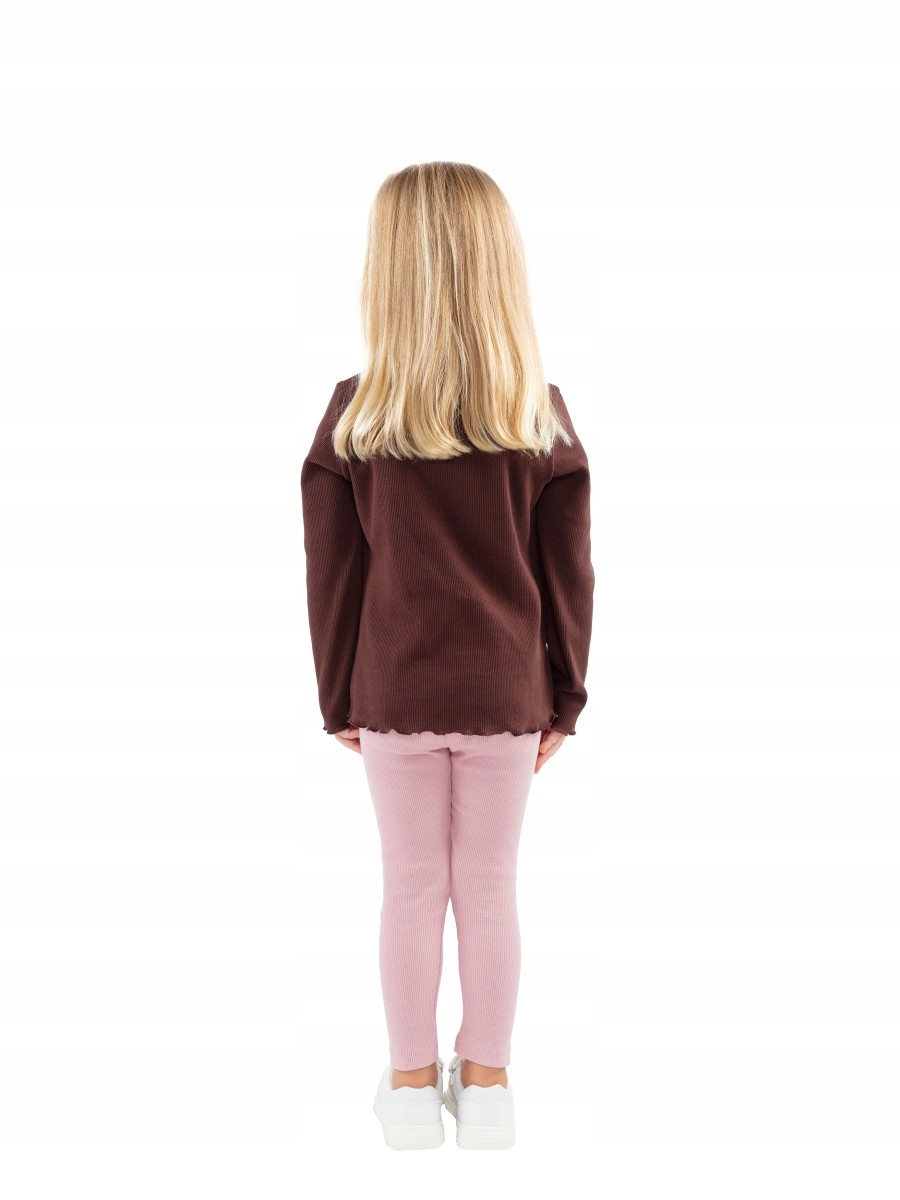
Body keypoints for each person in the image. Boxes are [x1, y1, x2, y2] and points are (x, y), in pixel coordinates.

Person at [300, 162, 594, 1150]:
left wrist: (339, 696)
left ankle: (411, 1087)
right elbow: (570, 575)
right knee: (492, 885)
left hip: (391, 691)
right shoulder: (539, 416)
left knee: (411, 883)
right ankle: (492, 1087)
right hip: (508, 694)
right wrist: (565, 697)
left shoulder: (354, 418)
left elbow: (331, 571)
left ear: (387, 271)